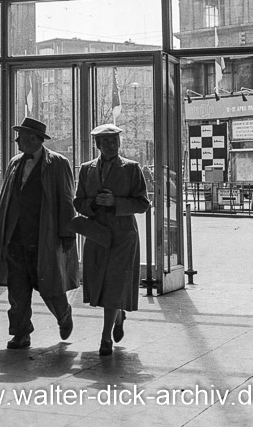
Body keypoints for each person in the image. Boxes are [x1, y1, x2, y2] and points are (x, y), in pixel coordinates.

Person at [0, 117, 79, 350]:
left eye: (21, 136)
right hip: (15, 237)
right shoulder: (15, 163)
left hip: (43, 237)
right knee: (17, 289)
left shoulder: (57, 163)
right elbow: (4, 198)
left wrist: (67, 233)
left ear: (34, 139)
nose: (16, 140)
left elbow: (67, 200)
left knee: (50, 286)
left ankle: (63, 314)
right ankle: (21, 333)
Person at [74, 123, 150, 356]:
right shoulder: (86, 170)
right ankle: (118, 315)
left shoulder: (131, 168)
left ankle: (105, 337)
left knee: (115, 281)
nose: (111, 146)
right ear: (97, 145)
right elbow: (78, 202)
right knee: (99, 281)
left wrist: (116, 202)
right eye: (105, 142)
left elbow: (143, 203)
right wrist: (94, 204)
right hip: (96, 233)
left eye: (114, 141)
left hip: (123, 234)